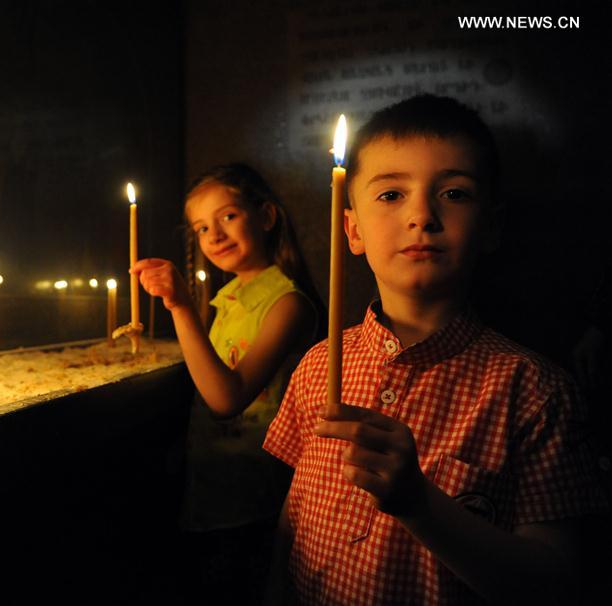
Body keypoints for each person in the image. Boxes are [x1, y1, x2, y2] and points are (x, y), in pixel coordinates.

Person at [262, 95, 609, 605]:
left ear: (490, 226)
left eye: (453, 193)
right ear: (352, 229)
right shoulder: (318, 366)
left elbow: (554, 582)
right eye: (390, 195)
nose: (422, 215)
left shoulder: (534, 392)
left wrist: (420, 504)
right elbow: (294, 511)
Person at [132, 163, 324, 605]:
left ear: (267, 216)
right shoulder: (228, 301)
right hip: (210, 491)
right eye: (201, 227)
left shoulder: (288, 304)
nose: (213, 234)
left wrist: (179, 305)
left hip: (256, 501)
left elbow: (226, 398)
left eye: (228, 216)